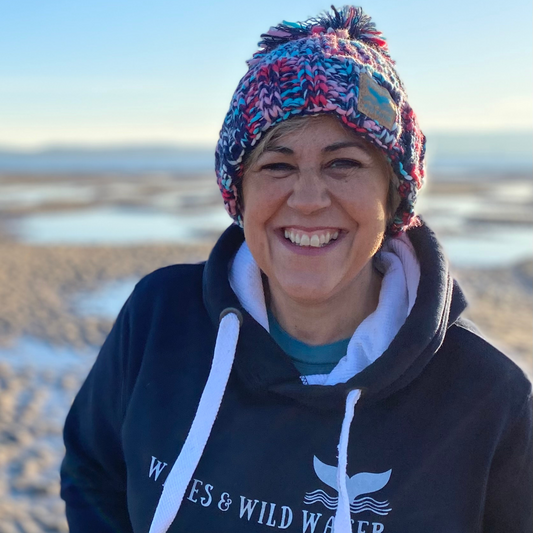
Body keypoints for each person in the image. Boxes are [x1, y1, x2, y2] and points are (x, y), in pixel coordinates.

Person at [61, 6, 532, 532]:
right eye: (277, 164)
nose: (307, 200)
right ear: (239, 194)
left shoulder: (488, 400)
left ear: (394, 196)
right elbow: (93, 472)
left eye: (343, 163)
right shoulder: (157, 321)